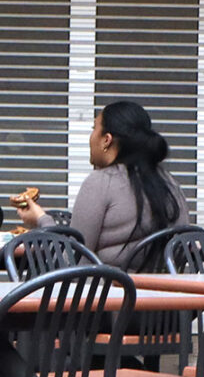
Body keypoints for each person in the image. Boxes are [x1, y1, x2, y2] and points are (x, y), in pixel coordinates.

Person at [17, 100, 190, 266]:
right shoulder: (171, 185)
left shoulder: (101, 182)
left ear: (106, 139)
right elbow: (181, 248)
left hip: (107, 293)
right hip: (164, 294)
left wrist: (43, 220)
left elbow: (73, 259)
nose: (91, 137)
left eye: (94, 129)